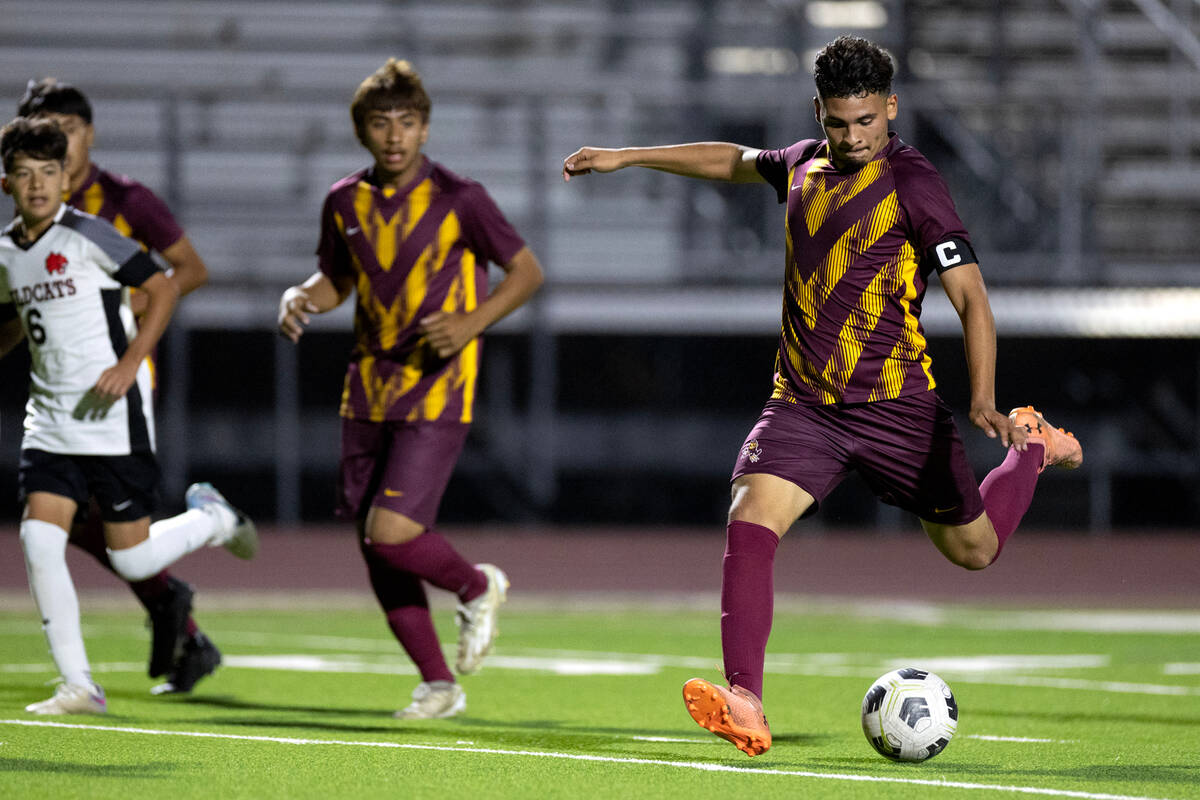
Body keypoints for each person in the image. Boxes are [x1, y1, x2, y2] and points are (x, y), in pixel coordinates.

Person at [563, 34, 1082, 757]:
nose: (852, 137)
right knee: (750, 518)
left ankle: (1030, 446)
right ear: (819, 113)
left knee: (975, 550)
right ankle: (745, 698)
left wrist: (988, 398)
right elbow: (732, 161)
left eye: (866, 122)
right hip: (804, 404)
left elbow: (971, 296)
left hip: (897, 407)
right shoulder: (805, 164)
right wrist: (628, 156)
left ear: (890, 109)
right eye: (838, 123)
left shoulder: (914, 182)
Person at [277, 59, 544, 719]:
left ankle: (477, 584)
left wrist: (471, 322)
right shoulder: (345, 201)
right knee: (373, 542)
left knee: (393, 531)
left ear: (425, 128)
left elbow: (526, 271)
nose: (394, 135)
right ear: (362, 132)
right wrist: (301, 296)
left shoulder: (462, 197)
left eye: (406, 122)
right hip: (366, 388)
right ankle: (438, 684)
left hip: (437, 389)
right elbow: (336, 280)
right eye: (379, 123)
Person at [0, 117, 257, 715]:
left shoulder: (90, 234)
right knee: (39, 538)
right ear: (5, 182)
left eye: (49, 172)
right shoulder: (6, 253)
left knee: (131, 557)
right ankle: (79, 685)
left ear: (67, 178)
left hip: (112, 416)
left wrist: (131, 360)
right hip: (50, 422)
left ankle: (212, 519)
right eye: (24, 173)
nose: (37, 185)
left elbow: (164, 287)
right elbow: (11, 322)